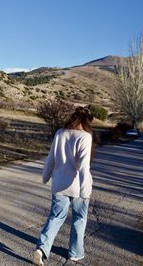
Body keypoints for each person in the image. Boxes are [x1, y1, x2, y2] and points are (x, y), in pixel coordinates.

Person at [32, 107, 94, 266]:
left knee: (55, 218)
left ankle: (41, 249)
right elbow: (84, 168)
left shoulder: (60, 133)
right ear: (87, 122)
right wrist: (85, 191)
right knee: (79, 220)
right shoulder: (85, 137)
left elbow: (50, 158)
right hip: (78, 186)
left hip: (59, 185)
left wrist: (45, 177)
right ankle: (75, 253)